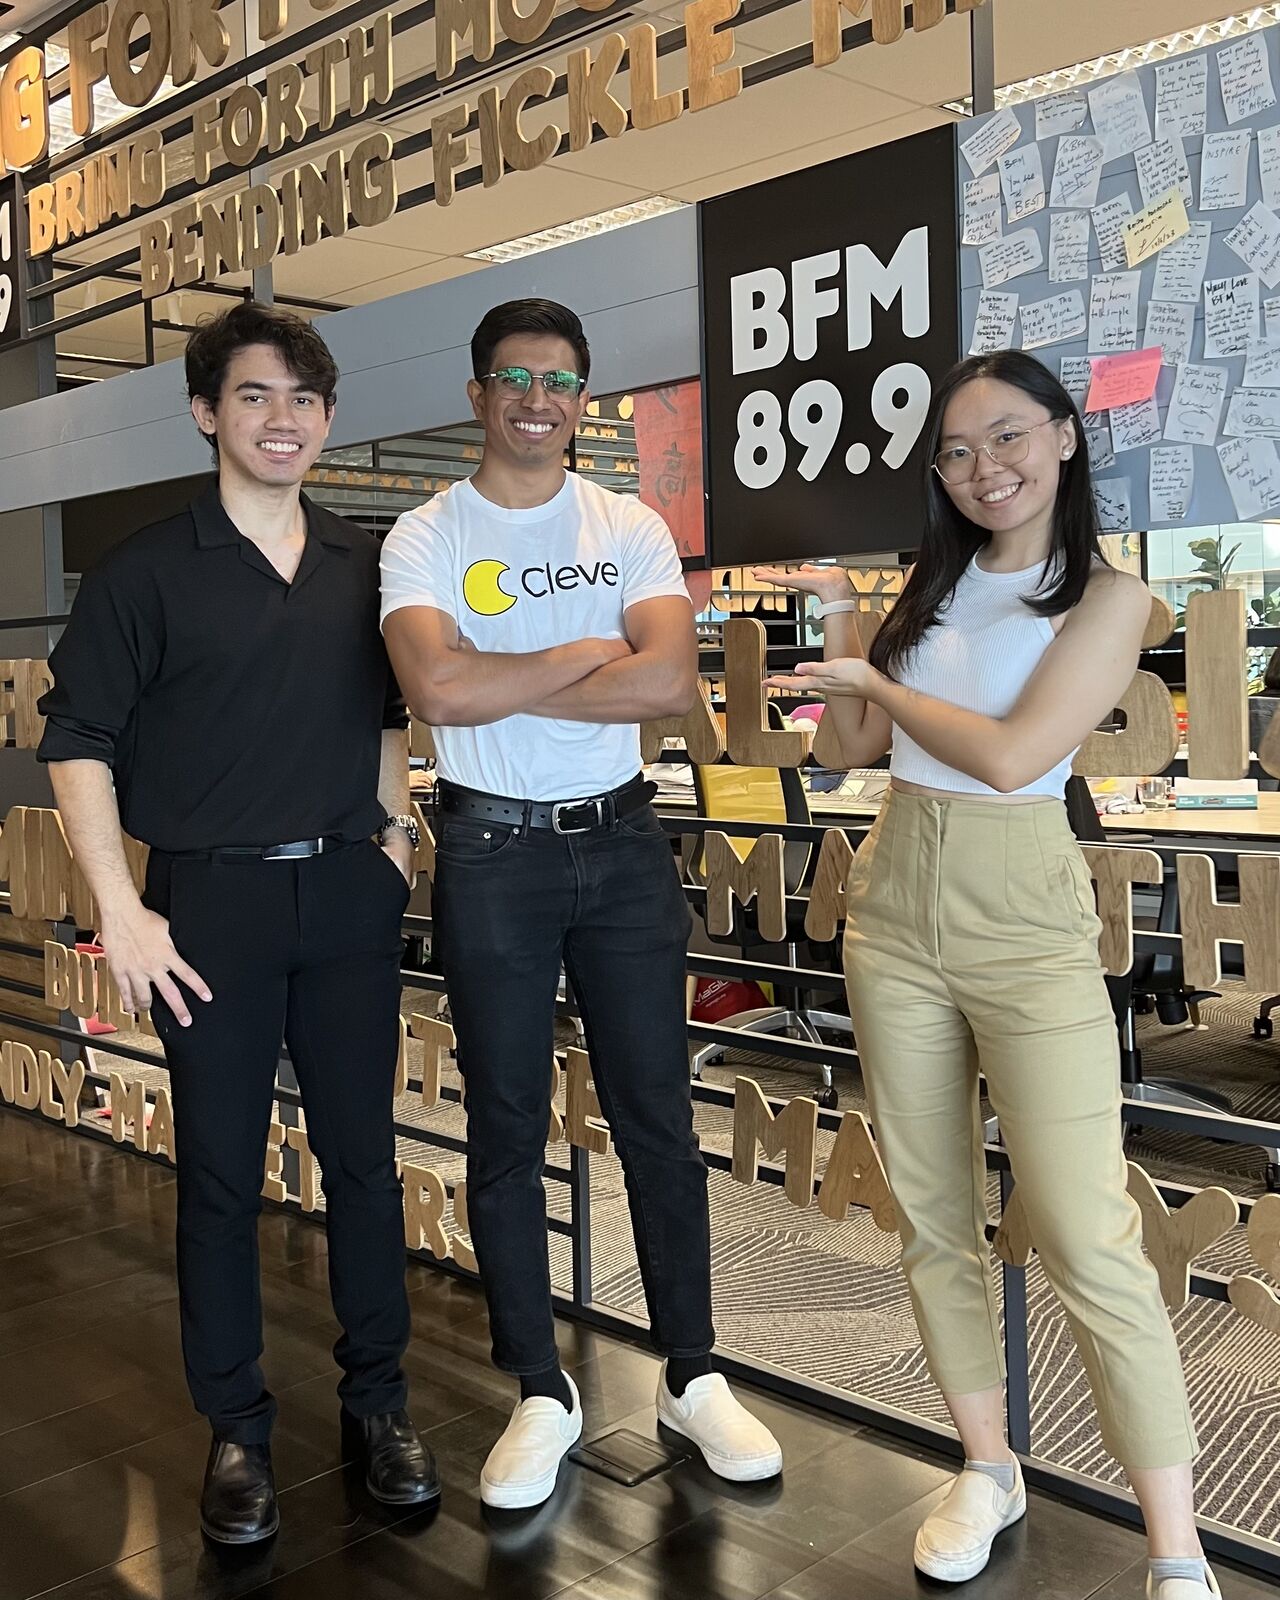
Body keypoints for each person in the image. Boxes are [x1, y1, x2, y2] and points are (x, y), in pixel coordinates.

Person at [757, 351, 1215, 1600]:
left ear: (1063, 439)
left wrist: (876, 677)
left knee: (1083, 1225)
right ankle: (984, 1465)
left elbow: (1017, 758)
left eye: (1005, 438)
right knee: (932, 1214)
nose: (981, 470)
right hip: (894, 891)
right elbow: (858, 745)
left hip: (1022, 907)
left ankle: (1173, 1548)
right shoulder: (929, 586)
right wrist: (844, 622)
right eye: (954, 454)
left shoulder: (1111, 600)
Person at [37, 303, 439, 1544]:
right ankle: (237, 1433)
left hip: (344, 895)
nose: (284, 420)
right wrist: (125, 911)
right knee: (218, 1173)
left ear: (328, 422)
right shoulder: (146, 570)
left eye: (305, 401)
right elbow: (78, 743)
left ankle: (380, 1407)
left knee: (365, 1163)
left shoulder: (364, 565)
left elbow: (381, 717)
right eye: (257, 397)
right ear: (208, 411)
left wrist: (390, 831)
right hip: (208, 903)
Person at [379, 297, 782, 1509]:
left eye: (559, 381)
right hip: (490, 854)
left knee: (658, 1117)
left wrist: (500, 675)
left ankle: (691, 1372)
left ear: (581, 398)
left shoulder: (629, 525)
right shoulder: (424, 534)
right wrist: (574, 657)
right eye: (514, 377)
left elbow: (663, 680)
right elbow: (436, 697)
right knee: (504, 1123)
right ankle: (539, 1389)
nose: (537, 400)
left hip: (618, 852)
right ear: (477, 394)